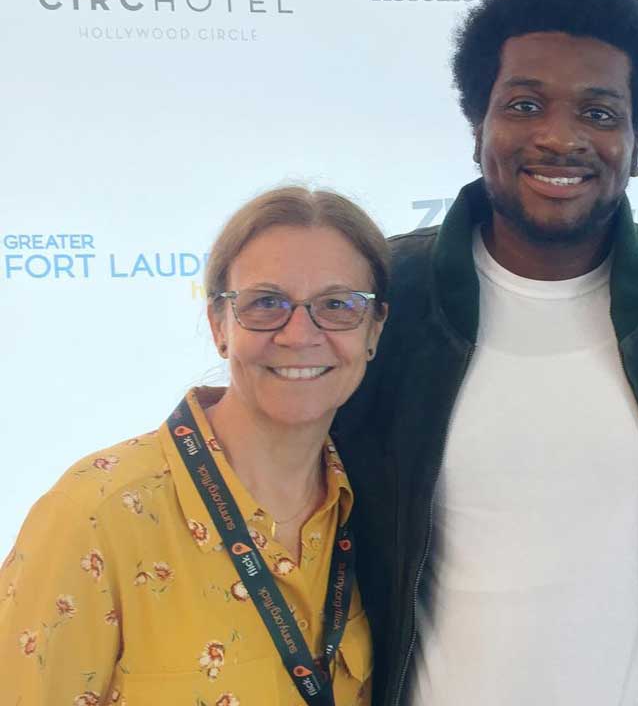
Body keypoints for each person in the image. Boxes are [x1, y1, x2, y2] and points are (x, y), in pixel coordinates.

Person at [333, 0, 638, 706]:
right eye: (525, 104)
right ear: (479, 127)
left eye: (600, 114)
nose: (560, 138)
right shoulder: (388, 298)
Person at [1, 186, 389, 705]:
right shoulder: (97, 515)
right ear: (219, 325)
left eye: (337, 305)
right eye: (266, 303)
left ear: (373, 330)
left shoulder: (372, 511)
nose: (300, 334)